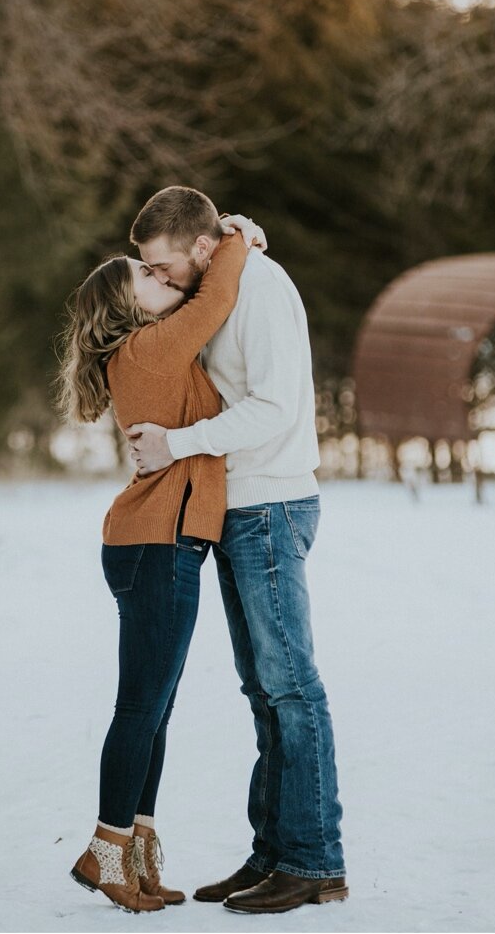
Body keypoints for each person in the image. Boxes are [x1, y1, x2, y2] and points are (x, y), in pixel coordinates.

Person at [122, 186, 347, 914]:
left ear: (197, 246)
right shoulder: (223, 279)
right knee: (263, 691)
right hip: (239, 504)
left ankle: (314, 860)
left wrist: (174, 445)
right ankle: (274, 853)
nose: (158, 280)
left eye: (162, 266)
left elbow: (277, 406)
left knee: (290, 686)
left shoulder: (260, 288)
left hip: (272, 504)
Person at [56, 213, 262, 913]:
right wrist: (235, 237)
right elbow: (217, 300)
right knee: (141, 704)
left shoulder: (151, 352)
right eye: (144, 275)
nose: (159, 275)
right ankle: (105, 849)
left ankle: (136, 850)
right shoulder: (149, 351)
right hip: (155, 545)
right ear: (126, 306)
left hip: (160, 543)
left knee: (157, 705)